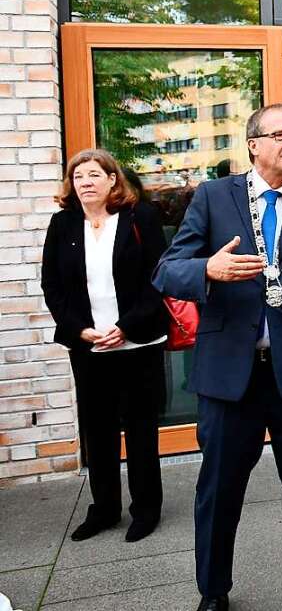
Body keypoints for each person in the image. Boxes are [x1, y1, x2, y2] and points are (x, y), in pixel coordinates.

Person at [153, 105, 282, 611]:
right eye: (281, 134)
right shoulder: (213, 198)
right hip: (230, 377)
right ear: (253, 144)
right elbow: (167, 271)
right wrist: (208, 267)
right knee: (219, 491)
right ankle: (214, 591)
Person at [41, 149, 168, 543]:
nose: (86, 182)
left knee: (141, 430)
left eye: (95, 174)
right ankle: (105, 510)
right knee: (98, 432)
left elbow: (158, 279)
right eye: (78, 177)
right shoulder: (62, 225)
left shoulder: (139, 219)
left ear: (113, 180)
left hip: (139, 343)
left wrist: (125, 327)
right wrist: (79, 330)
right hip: (90, 348)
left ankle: (145, 511)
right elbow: (53, 287)